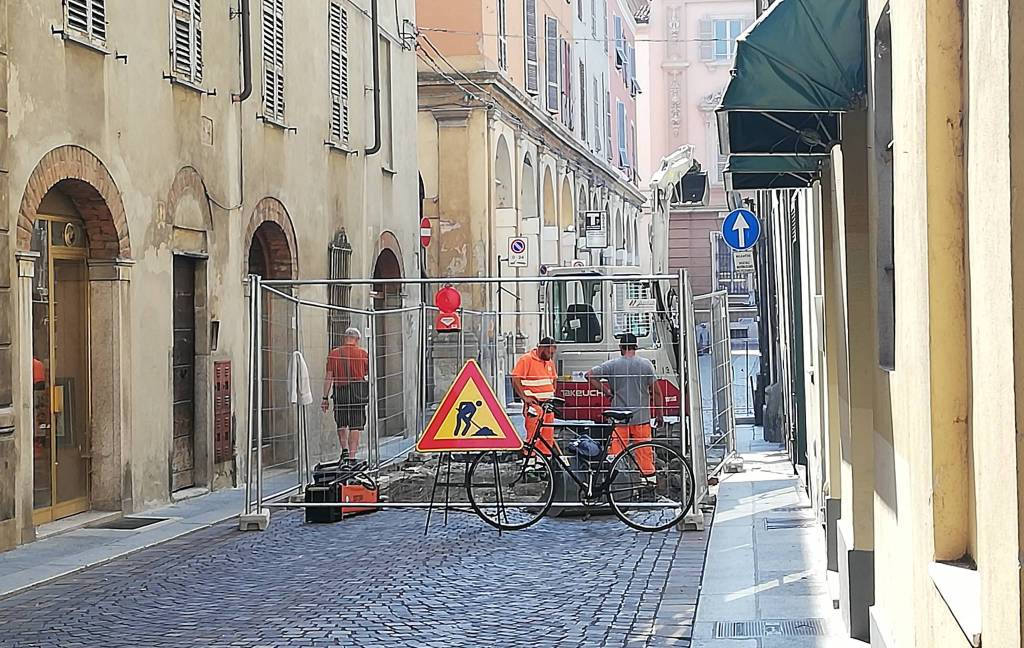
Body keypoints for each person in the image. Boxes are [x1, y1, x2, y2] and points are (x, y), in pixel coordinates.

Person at [585, 333, 663, 478]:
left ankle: (617, 482)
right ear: (636, 347)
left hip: (619, 418)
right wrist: (659, 414)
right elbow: (657, 393)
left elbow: (589, 375)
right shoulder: (646, 365)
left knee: (616, 452)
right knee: (644, 453)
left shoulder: (612, 365)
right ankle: (649, 483)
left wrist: (607, 392)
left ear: (621, 347)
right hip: (641, 418)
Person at [321, 327, 370, 461]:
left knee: (341, 422)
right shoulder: (362, 354)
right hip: (357, 392)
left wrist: (325, 397)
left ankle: (344, 450)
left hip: (340, 391)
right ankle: (352, 456)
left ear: (345, 338)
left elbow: (329, 376)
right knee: (355, 424)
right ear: (357, 339)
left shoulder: (334, 354)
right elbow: (366, 372)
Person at [510, 336, 559, 455]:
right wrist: (525, 397)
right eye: (549, 352)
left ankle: (542, 464)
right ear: (541, 348)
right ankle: (530, 463)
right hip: (534, 406)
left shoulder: (549, 362)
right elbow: (515, 378)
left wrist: (551, 394)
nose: (550, 356)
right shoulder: (526, 360)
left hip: (548, 406)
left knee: (547, 437)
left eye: (552, 353)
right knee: (532, 437)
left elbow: (554, 380)